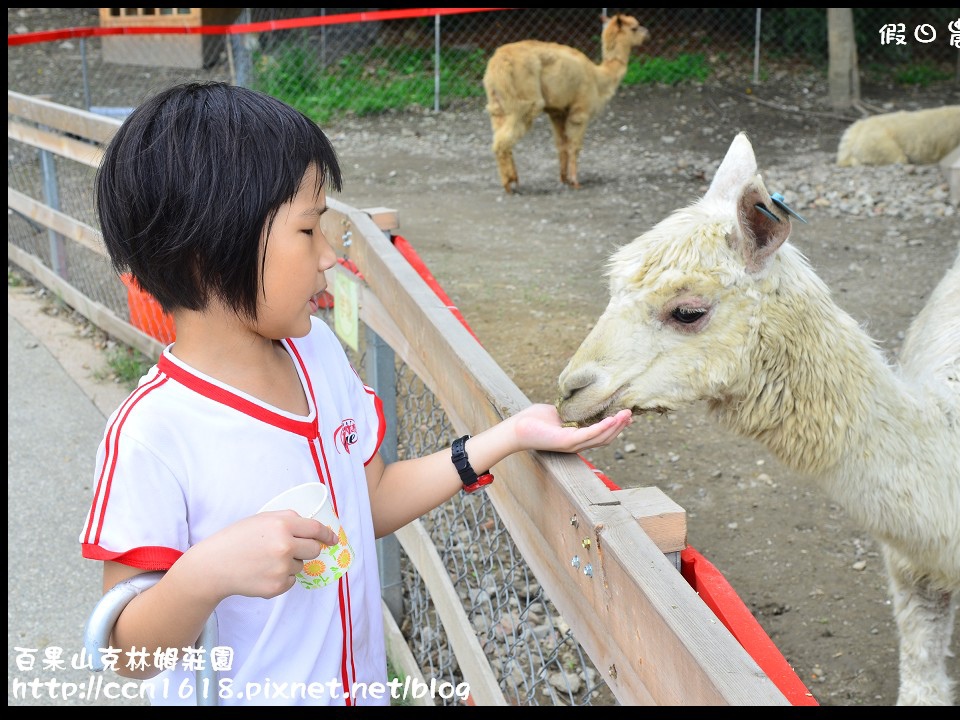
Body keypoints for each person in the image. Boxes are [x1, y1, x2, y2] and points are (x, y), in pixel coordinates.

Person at [78, 81, 632, 707]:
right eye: (308, 230)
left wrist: (505, 438)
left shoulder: (316, 355)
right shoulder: (153, 433)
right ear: (211, 252)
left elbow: (366, 502)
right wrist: (204, 575)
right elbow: (126, 655)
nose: (327, 257)